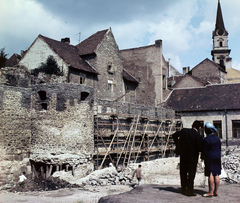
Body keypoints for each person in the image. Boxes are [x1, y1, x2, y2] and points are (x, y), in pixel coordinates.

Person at [172, 120, 203, 196]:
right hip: (193, 157)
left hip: (183, 156)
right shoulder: (198, 136)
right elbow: (200, 148)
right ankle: (189, 191)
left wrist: (178, 144)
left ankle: (183, 189)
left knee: (183, 173)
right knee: (191, 174)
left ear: (192, 125)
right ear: (199, 127)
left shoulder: (184, 131)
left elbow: (174, 135)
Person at [201, 122, 221, 197]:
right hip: (217, 157)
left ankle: (210, 192)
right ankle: (216, 191)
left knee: (210, 174)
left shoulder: (206, 139)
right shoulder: (217, 138)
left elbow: (204, 151)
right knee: (217, 174)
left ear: (206, 130)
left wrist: (202, 159)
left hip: (209, 158)